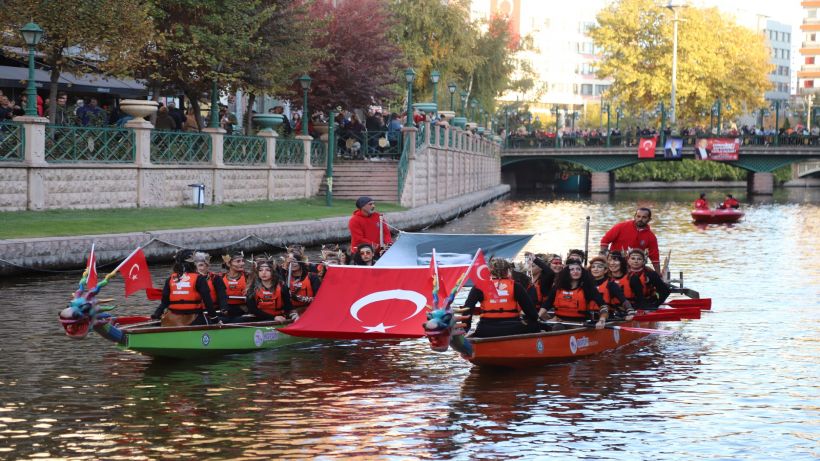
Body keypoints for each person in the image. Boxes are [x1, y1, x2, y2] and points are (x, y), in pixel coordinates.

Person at [462, 258, 542, 338]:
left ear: (489, 271)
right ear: (508, 271)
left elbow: (467, 309)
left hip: (486, 330)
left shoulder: (479, 286)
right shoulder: (516, 286)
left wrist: (466, 329)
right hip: (513, 329)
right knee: (537, 325)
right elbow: (532, 314)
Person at [151, 249, 218, 327]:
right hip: (194, 318)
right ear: (193, 263)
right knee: (210, 322)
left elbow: (164, 302)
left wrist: (156, 315)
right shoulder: (199, 278)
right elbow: (208, 301)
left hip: (172, 319)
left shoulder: (170, 279)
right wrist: (214, 318)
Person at [541, 259, 609, 330]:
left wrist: (602, 320)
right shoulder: (558, 287)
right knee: (556, 327)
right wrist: (537, 317)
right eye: (572, 269)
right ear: (567, 272)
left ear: (582, 272)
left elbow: (603, 306)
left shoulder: (588, 288)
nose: (575, 271)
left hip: (579, 323)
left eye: (578, 269)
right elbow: (547, 304)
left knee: (557, 328)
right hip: (560, 322)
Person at [600, 207, 661, 272]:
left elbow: (655, 258)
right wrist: (605, 260)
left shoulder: (651, 236)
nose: (640, 219)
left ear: (649, 219)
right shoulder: (621, 226)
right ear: (634, 216)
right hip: (615, 263)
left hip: (634, 266)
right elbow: (604, 241)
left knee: (650, 272)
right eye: (638, 216)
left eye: (644, 217)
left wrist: (658, 274)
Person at [245, 257, 297, 322]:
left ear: (273, 272)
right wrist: (273, 318)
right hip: (259, 317)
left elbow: (289, 307)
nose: (263, 273)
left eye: (267, 270)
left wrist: (294, 315)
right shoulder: (252, 288)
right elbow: (253, 309)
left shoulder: (282, 287)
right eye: (260, 270)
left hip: (280, 317)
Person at [588, 256, 633, 320]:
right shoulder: (586, 285)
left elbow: (623, 300)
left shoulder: (611, 285)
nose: (596, 269)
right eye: (593, 267)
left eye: (599, 267)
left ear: (605, 270)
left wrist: (630, 311)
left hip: (606, 318)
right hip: (588, 318)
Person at [221, 250, 249, 318]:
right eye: (238, 261)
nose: (242, 263)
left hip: (244, 311)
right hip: (226, 310)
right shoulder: (220, 277)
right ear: (228, 264)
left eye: (242, 261)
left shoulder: (248, 276)